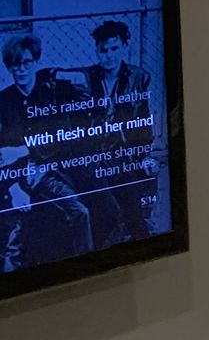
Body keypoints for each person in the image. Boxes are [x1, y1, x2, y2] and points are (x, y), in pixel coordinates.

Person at [0, 32, 100, 270]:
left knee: (80, 212)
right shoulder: (4, 101)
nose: (21, 70)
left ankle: (87, 269)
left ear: (35, 62)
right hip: (12, 180)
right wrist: (14, 188)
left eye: (26, 63)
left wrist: (24, 151)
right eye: (15, 65)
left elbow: (58, 139)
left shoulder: (50, 94)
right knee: (14, 239)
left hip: (47, 172)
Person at [83, 20, 157, 241]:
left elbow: (143, 120)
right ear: (97, 50)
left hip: (124, 156)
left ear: (125, 47)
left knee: (133, 212)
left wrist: (144, 154)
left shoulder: (139, 77)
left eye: (114, 49)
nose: (108, 56)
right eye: (103, 50)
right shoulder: (87, 78)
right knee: (107, 212)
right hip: (96, 157)